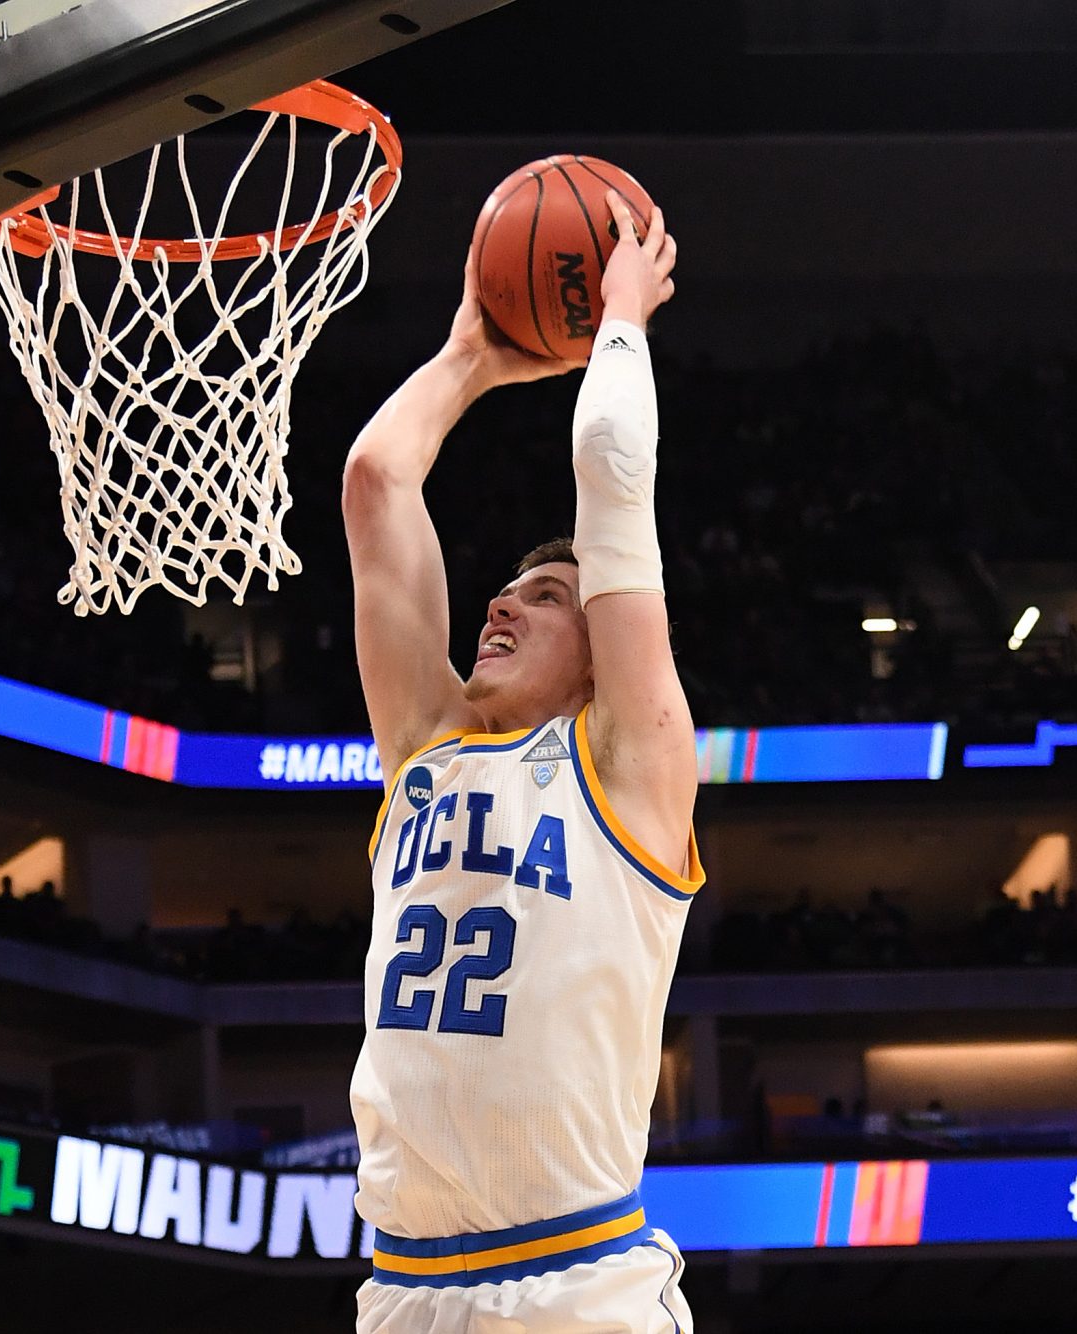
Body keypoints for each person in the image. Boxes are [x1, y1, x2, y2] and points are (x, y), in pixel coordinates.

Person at [344, 192, 694, 1332]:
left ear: (602, 657)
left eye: (546, 597)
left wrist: (621, 320)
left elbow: (609, 476)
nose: (500, 601)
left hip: (575, 1284)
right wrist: (467, 356)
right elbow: (376, 484)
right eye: (503, 589)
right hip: (402, 1289)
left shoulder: (631, 769)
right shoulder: (422, 751)